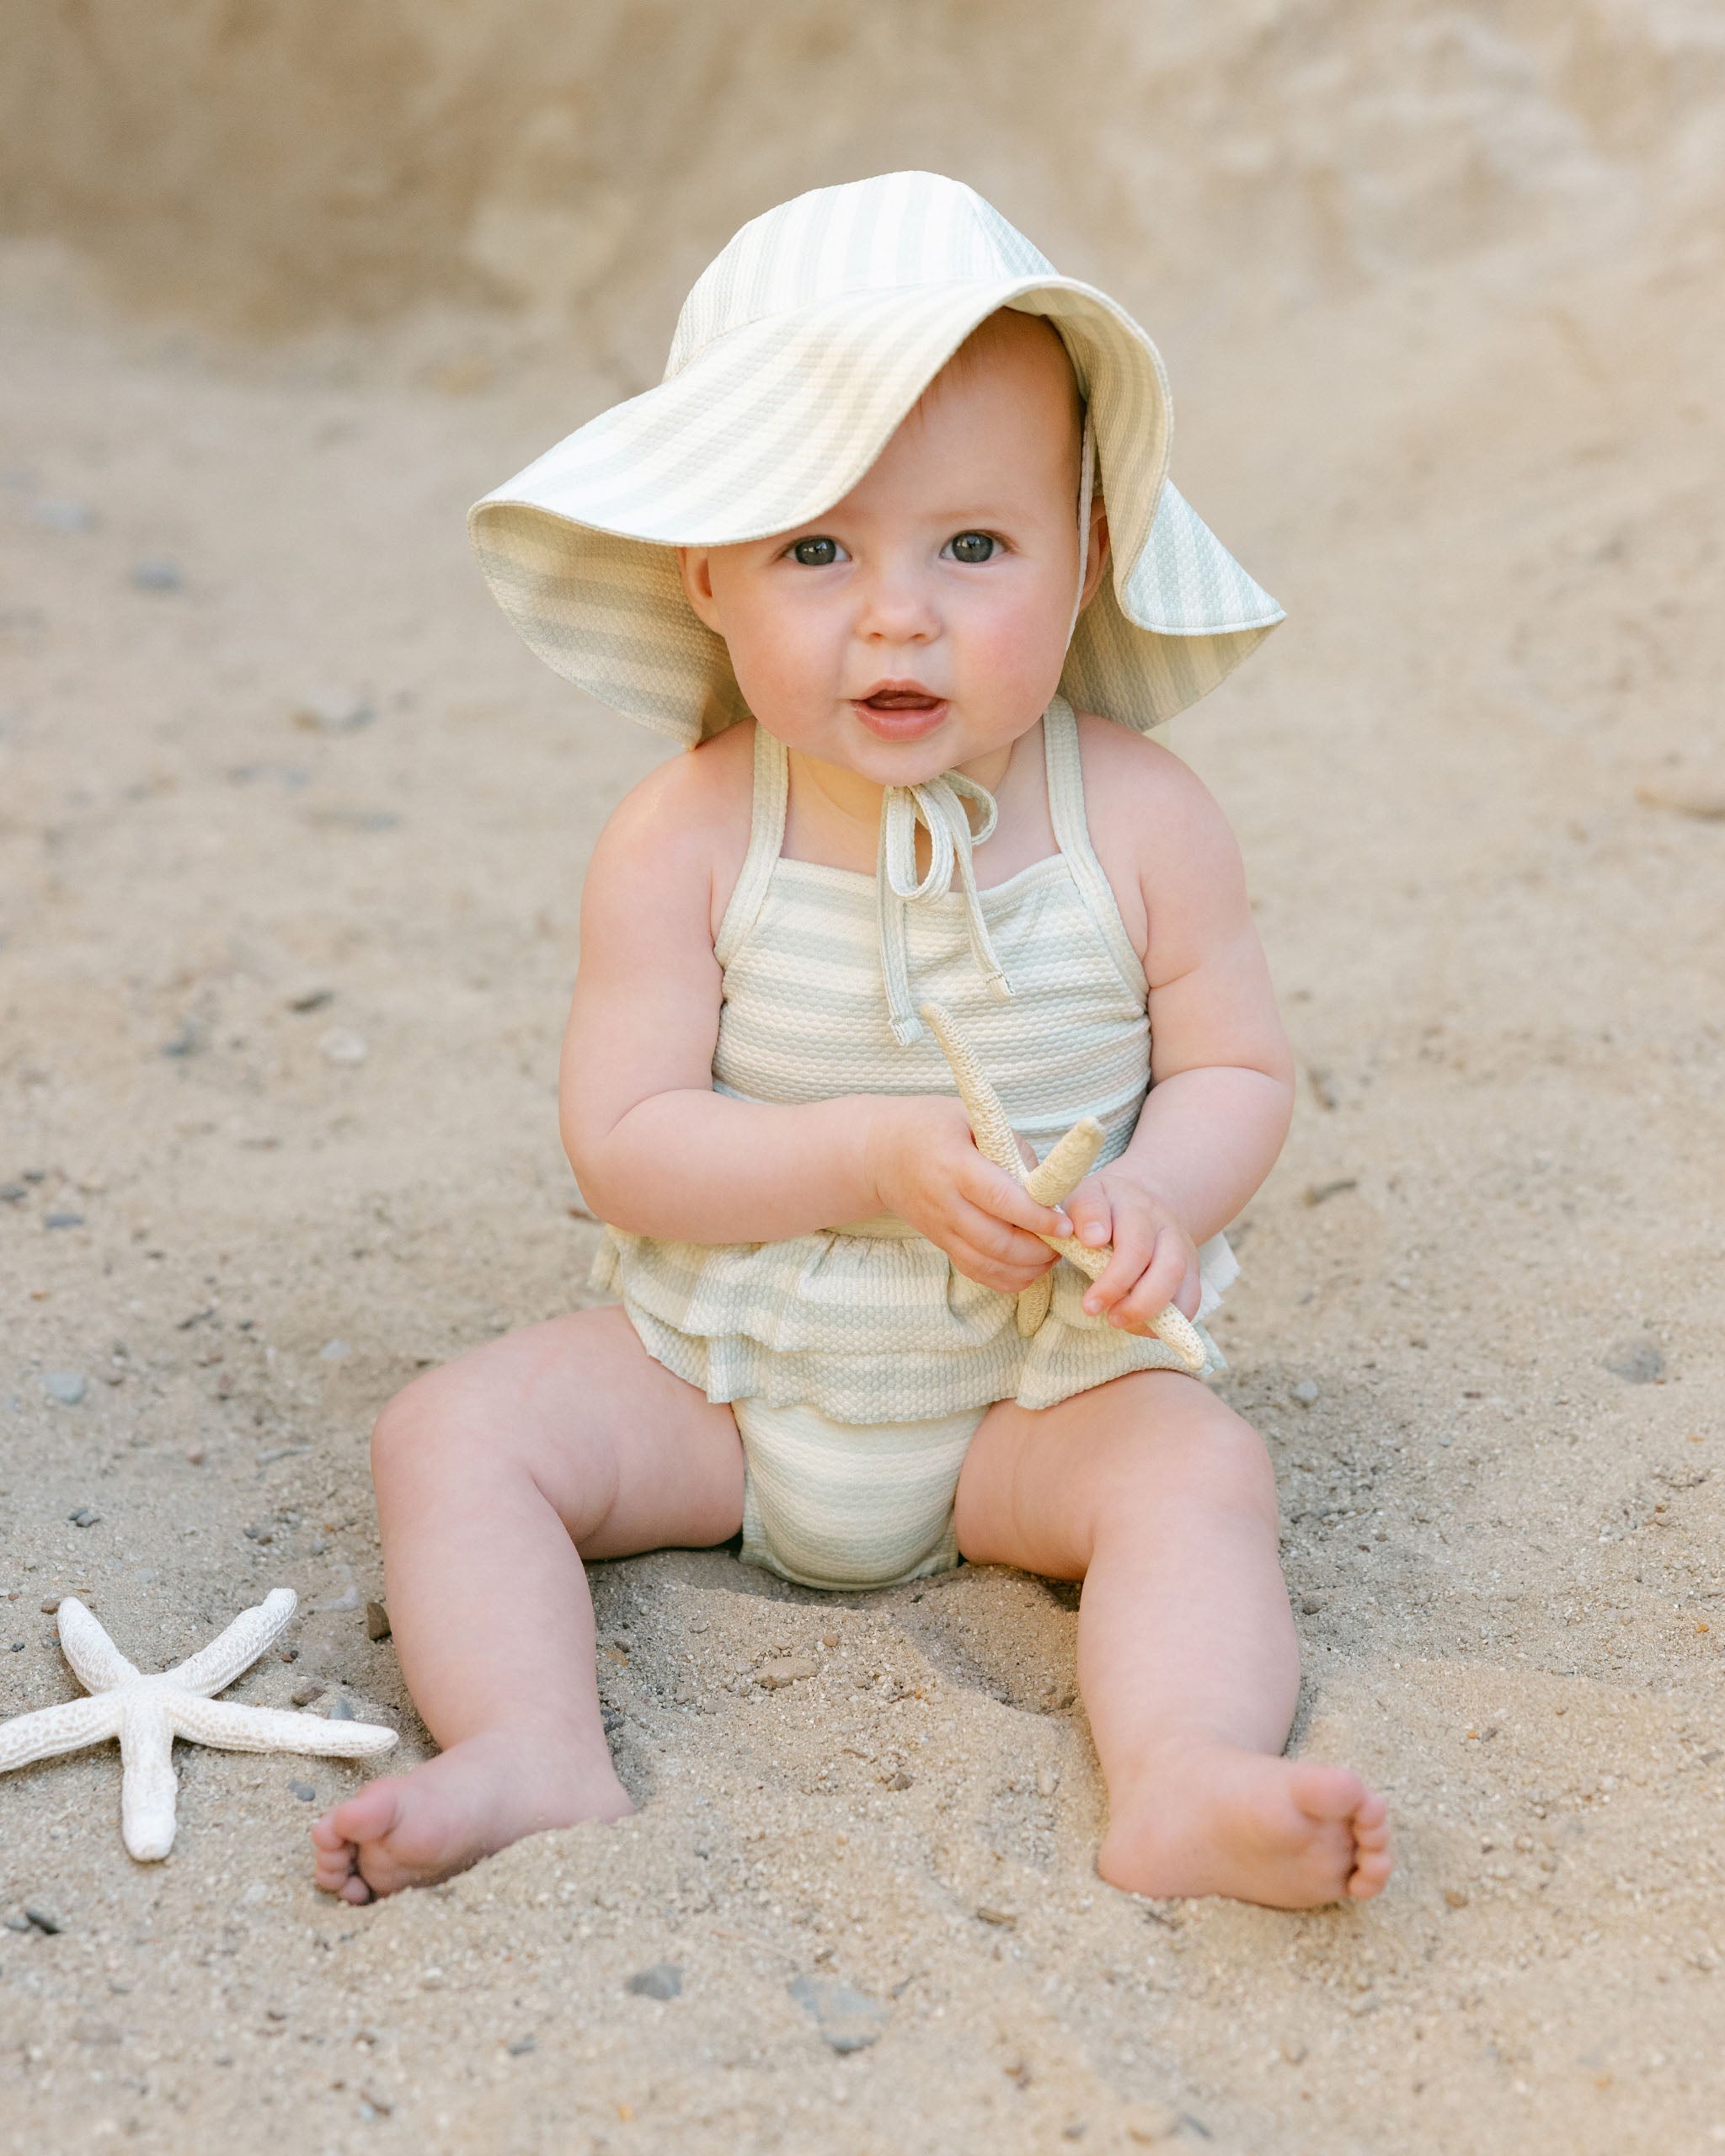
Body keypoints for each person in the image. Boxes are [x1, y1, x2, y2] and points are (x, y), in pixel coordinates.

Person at [312, 172, 1391, 1911]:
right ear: (708, 573)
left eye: (973, 545)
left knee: (1198, 1471)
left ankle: (1185, 1766)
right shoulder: (684, 830)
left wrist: (1158, 1194)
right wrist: (866, 1154)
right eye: (816, 549)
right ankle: (525, 1740)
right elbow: (629, 1131)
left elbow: (1236, 1068)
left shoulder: (1139, 817)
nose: (895, 612)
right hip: (724, 1381)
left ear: (1088, 551)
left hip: (1024, 1392)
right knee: (452, 1434)